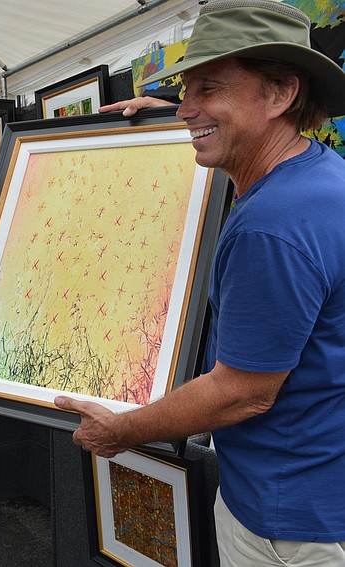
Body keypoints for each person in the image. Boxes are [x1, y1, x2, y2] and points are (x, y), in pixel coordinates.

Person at [56, 1, 345, 565]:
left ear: (281, 94)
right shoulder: (320, 177)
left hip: (286, 523)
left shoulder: (272, 224)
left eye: (207, 88)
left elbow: (243, 393)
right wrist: (177, 110)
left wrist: (122, 430)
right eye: (184, 92)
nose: (188, 109)